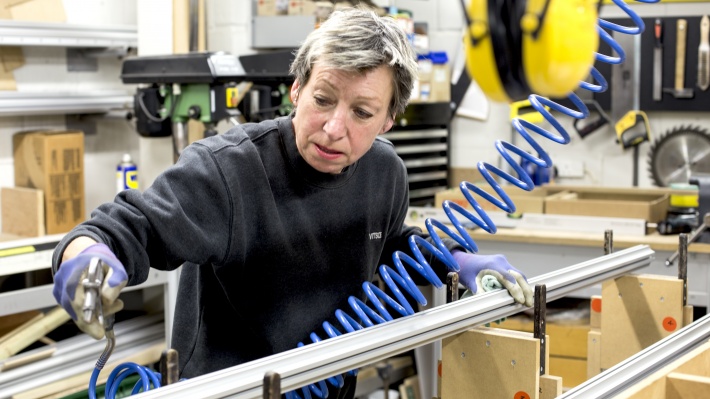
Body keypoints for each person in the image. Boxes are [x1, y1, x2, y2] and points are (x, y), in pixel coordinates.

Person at [52, 6, 533, 398]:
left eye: (362, 112)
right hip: (227, 393)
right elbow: (127, 227)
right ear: (296, 88)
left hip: (328, 387)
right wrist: (86, 257)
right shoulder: (229, 169)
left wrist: (454, 258)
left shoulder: (385, 173)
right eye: (323, 99)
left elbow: (385, 246)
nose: (333, 127)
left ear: (389, 120)